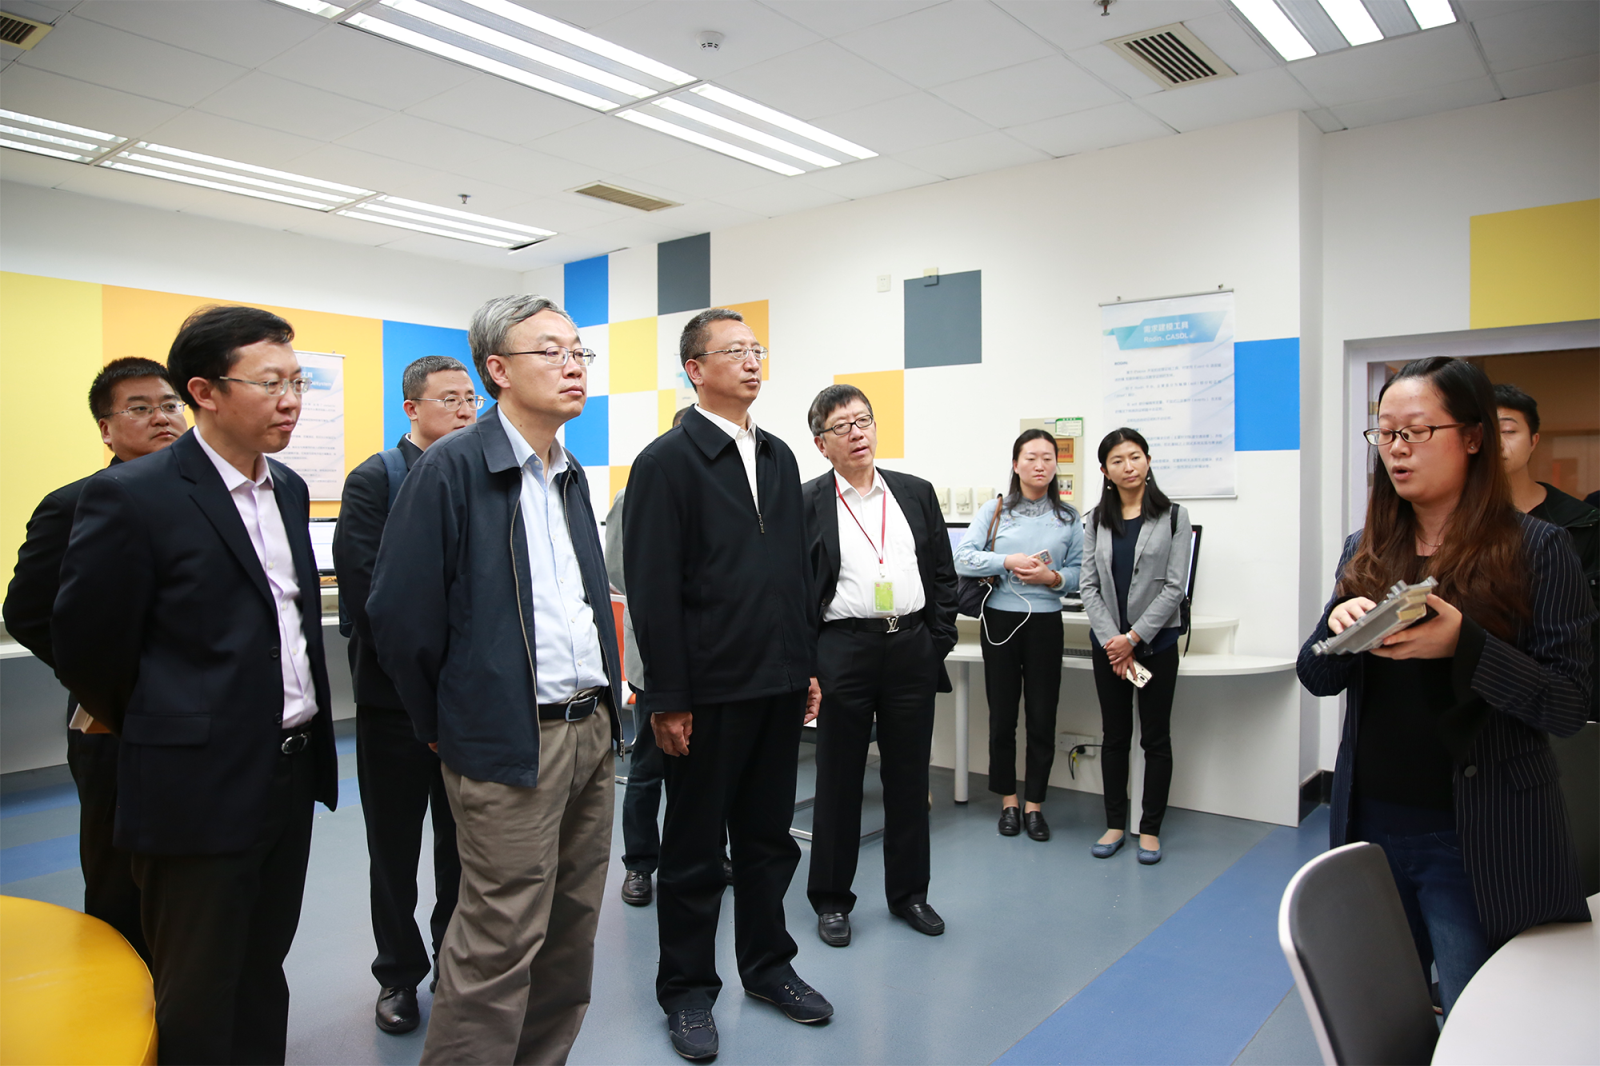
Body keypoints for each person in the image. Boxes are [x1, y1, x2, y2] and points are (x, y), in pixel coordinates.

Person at [52, 306, 340, 1065]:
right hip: (193, 780)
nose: (291, 400)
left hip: (288, 768)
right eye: (270, 383)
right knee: (200, 980)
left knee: (263, 964)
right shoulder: (135, 495)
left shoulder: (288, 488)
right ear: (205, 391)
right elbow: (89, 650)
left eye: (298, 382)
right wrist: (171, 726)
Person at [367, 295, 623, 1066]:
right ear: (499, 370)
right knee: (498, 939)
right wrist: (448, 721)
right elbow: (399, 618)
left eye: (578, 351)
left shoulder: (569, 473)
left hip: (591, 730)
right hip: (508, 739)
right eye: (551, 351)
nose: (573, 366)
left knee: (571, 931)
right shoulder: (451, 469)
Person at [1298, 356, 1594, 1015]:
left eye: (1416, 430)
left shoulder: (1539, 549)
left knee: (1476, 1015)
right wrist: (1339, 627)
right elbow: (1316, 675)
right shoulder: (1365, 548)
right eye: (1385, 433)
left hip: (1476, 835)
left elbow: (1568, 705)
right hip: (1369, 826)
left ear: (1473, 437)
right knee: (1385, 1006)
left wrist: (1467, 644)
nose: (1396, 449)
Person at [624, 308, 829, 1061]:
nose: (751, 361)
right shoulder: (665, 462)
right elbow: (652, 591)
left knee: (769, 843)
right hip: (706, 695)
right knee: (693, 852)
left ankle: (770, 969)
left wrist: (805, 665)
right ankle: (686, 992)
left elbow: (795, 573)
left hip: (777, 684)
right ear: (695, 369)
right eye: (733, 351)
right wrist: (667, 698)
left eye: (756, 350)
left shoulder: (776, 455)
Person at [4, 357, 186, 961]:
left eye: (170, 404)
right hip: (113, 723)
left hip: (200, 723)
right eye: (140, 408)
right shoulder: (75, 503)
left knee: (192, 879)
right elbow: (28, 613)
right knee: (118, 878)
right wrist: (111, 687)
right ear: (106, 430)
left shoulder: (209, 499)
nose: (161, 417)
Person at [333, 355, 477, 1034]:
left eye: (471, 398)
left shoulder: (481, 475)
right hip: (395, 703)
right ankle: (397, 973)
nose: (466, 409)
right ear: (412, 409)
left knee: (463, 843)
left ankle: (453, 957)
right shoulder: (377, 479)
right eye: (449, 399)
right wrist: (427, 684)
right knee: (393, 847)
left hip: (467, 703)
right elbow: (370, 603)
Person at [802, 384, 959, 947]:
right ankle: (831, 899)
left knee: (909, 777)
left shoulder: (914, 492)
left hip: (911, 646)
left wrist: (936, 640)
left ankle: (910, 894)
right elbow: (794, 591)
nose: (857, 433)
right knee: (839, 779)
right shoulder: (806, 502)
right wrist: (810, 665)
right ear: (822, 443)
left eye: (863, 420)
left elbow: (943, 573)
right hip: (844, 650)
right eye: (842, 426)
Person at [609, 407, 735, 908]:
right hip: (659, 660)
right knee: (649, 766)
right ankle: (640, 864)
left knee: (714, 767)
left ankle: (713, 853)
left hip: (716, 659)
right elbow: (620, 570)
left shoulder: (726, 490)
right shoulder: (639, 489)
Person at [954, 429, 1082, 842]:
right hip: (1000, 621)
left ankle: (1035, 805)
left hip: (1046, 622)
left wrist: (1053, 578)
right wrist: (1006, 560)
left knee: (1042, 717)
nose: (1039, 465)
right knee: (1002, 716)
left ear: (1056, 466)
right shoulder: (994, 511)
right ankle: (1009, 801)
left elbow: (1081, 572)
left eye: (1047, 458)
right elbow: (962, 557)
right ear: (1015, 464)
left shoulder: (1069, 518)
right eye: (1031, 457)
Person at [1078, 428, 1191, 866]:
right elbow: (1088, 586)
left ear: (1147, 460)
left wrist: (1133, 638)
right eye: (1118, 460)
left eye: (1136, 456)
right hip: (1109, 646)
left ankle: (1150, 828)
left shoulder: (1174, 517)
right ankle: (1113, 823)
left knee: (1156, 738)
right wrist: (1114, 640)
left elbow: (1174, 587)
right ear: (1105, 470)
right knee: (1114, 737)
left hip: (1156, 644)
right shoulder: (1094, 520)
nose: (1129, 466)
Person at [1495, 383, 1599, 718]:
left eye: (1508, 431)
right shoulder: (1457, 523)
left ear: (1534, 440)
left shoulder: (1582, 522)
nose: (1498, 443)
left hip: (1565, 696)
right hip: (1490, 693)